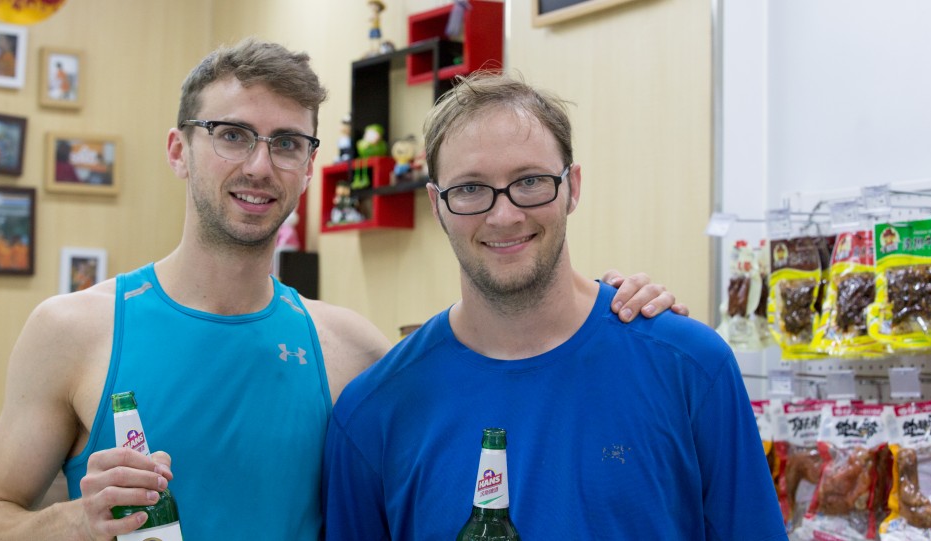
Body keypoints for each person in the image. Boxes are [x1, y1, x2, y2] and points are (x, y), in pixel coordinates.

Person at [0, 39, 684, 540]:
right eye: (231, 134)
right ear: (177, 149)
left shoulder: (351, 349)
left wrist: (622, 312)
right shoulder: (75, 330)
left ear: (310, 162)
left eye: (288, 142)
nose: (260, 163)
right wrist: (69, 520)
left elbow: (507, 392)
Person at [321, 72, 786, 540]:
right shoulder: (372, 415)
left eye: (530, 181)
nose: (504, 215)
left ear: (573, 187)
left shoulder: (690, 368)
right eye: (469, 189)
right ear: (436, 204)